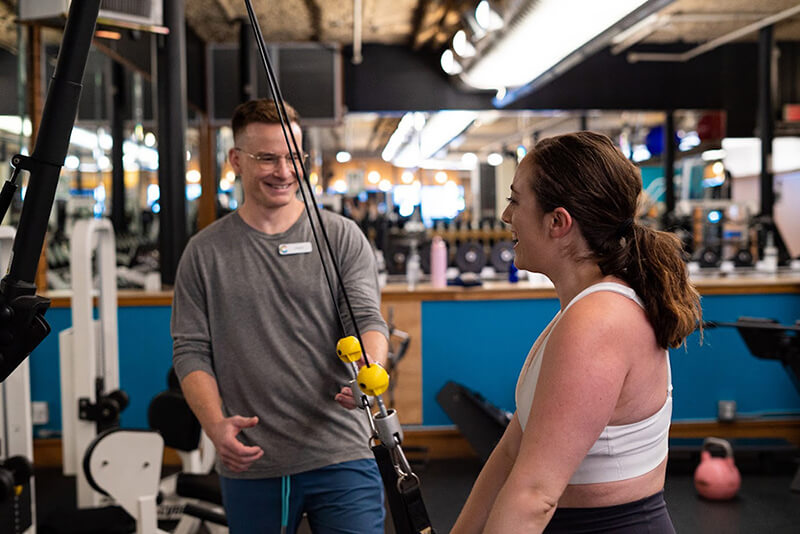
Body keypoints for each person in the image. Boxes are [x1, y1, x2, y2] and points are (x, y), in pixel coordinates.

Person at [451, 131, 702, 534]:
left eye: (516, 200)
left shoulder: (598, 319)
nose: (506, 216)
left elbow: (535, 494)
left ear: (557, 222)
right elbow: (512, 449)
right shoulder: (582, 309)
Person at [171, 98, 389, 533]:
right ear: (236, 160)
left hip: (342, 448)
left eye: (293, 157)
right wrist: (215, 426)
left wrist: (370, 368)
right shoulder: (205, 252)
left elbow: (365, 317)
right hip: (253, 457)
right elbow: (191, 349)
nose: (284, 171)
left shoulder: (340, 236)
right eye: (267, 158)